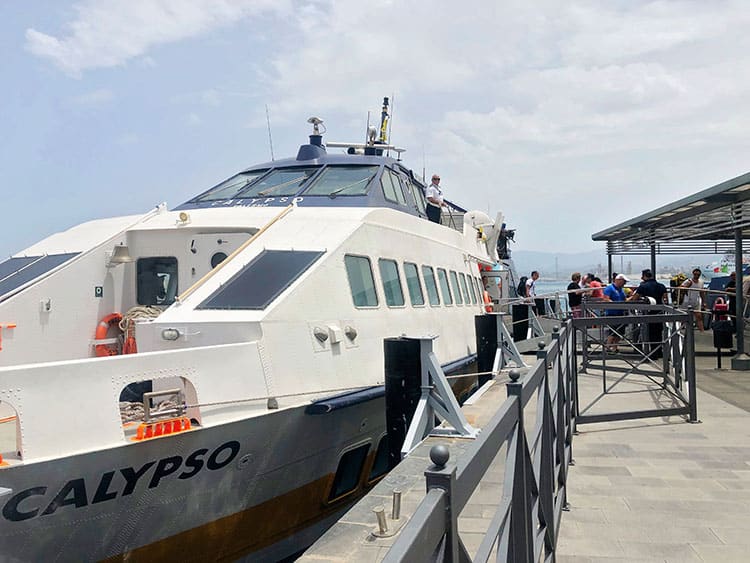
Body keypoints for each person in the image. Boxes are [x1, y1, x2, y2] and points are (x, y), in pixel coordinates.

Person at [629, 269, 667, 358]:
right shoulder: (661, 286)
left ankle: (653, 353)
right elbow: (665, 299)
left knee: (650, 333)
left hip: (648, 312)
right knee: (658, 333)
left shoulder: (643, 286)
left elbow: (635, 298)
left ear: (644, 276)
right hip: (659, 312)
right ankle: (659, 351)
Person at [603, 274, 628, 351]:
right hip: (612, 313)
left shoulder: (621, 290)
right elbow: (606, 299)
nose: (625, 284)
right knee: (613, 331)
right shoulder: (609, 288)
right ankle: (607, 347)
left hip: (621, 313)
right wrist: (614, 304)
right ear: (618, 280)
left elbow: (624, 299)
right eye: (624, 282)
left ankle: (615, 348)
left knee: (620, 332)